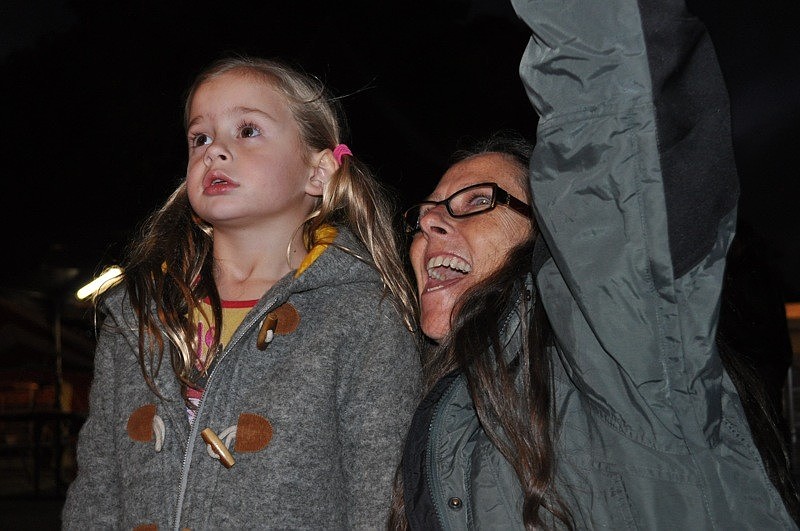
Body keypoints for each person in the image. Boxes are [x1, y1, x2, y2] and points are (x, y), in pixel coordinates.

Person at [388, 0, 800, 527]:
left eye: (477, 202)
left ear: (551, 237)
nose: (430, 226)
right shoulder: (414, 399)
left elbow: (615, 116)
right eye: (423, 215)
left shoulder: (613, 350)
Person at [62, 55, 422, 529]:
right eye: (200, 138)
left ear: (318, 172)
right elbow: (97, 491)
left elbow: (380, 499)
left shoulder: (360, 313)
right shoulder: (140, 312)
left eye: (247, 130)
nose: (214, 151)